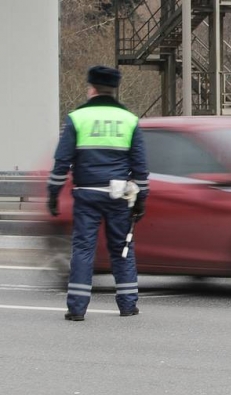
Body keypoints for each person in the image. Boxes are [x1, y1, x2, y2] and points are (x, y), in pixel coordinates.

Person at [46, 65, 149, 321]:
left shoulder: (77, 118)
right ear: (114, 89)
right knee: (122, 247)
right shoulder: (129, 120)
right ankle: (128, 305)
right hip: (119, 195)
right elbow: (140, 167)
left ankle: (77, 309)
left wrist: (53, 193)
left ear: (91, 88)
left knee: (83, 249)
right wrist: (141, 200)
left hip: (87, 194)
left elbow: (62, 161)